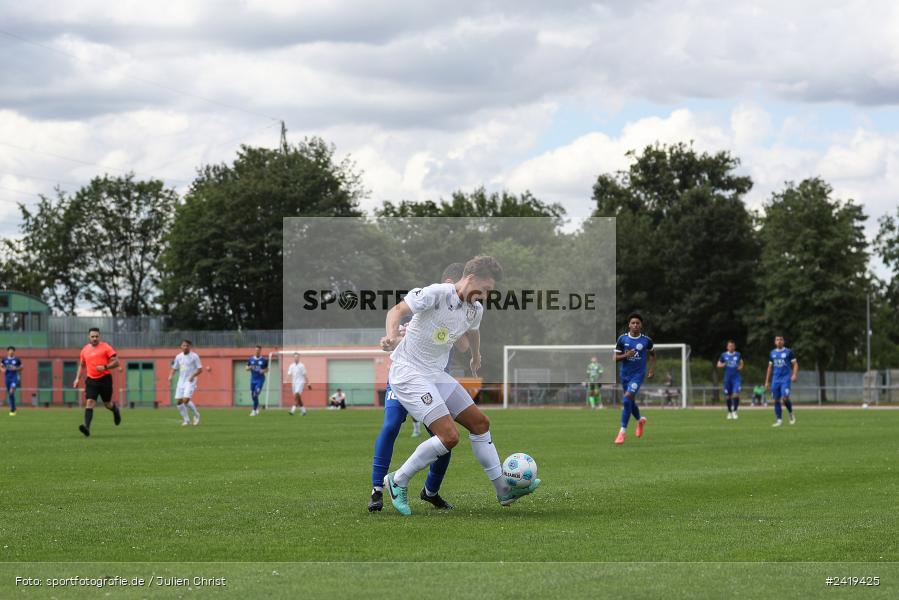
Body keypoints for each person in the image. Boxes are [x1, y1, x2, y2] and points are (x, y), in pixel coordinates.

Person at [381, 256, 540, 516]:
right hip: (409, 372)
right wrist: (391, 335)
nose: (487, 295)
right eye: (486, 289)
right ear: (470, 278)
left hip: (435, 373)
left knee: (480, 424)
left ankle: (503, 491)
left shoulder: (475, 308)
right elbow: (396, 311)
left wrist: (475, 356)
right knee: (449, 437)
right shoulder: (437, 293)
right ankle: (397, 480)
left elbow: (474, 330)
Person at [368, 262, 466, 512]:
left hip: (435, 380)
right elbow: (400, 328)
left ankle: (431, 491)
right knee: (391, 425)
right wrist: (391, 338)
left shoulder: (464, 311)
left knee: (444, 438)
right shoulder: (424, 307)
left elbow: (464, 344)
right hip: (406, 378)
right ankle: (377, 489)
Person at [614, 312, 655, 445]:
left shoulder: (646, 340)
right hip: (625, 375)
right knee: (630, 402)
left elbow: (653, 355)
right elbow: (614, 358)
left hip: (638, 375)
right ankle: (640, 419)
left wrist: (651, 369)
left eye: (638, 323)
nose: (635, 325)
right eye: (633, 323)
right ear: (629, 325)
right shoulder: (622, 339)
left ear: (641, 325)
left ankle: (622, 432)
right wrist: (626, 355)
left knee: (626, 399)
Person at [73, 328, 121, 437]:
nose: (94, 338)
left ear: (99, 336)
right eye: (92, 336)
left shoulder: (106, 347)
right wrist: (77, 379)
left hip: (105, 379)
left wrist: (105, 367)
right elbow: (81, 365)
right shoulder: (84, 350)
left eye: (96, 336)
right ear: (88, 337)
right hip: (91, 380)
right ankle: (86, 427)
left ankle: (115, 410)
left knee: (107, 404)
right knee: (89, 402)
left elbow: (117, 362)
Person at [765, 335, 798, 427]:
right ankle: (779, 420)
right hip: (775, 379)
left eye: (781, 339)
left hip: (785, 379)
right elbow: (770, 368)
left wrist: (794, 374)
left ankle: (791, 413)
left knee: (785, 398)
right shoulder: (772, 353)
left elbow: (795, 364)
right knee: (776, 400)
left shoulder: (789, 352)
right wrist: (767, 381)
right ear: (775, 342)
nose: (779, 341)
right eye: (777, 339)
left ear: (783, 341)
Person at [169, 339, 202, 426]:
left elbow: (200, 369)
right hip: (181, 381)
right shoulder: (178, 357)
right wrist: (171, 375)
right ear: (181, 347)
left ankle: (196, 415)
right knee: (179, 401)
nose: (185, 347)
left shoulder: (194, 356)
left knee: (186, 400)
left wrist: (192, 376)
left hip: (190, 380)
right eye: (183, 345)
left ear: (190, 347)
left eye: (187, 345)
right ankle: (186, 420)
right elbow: (174, 368)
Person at [717, 340, 744, 420]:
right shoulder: (723, 355)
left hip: (736, 378)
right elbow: (718, 364)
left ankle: (735, 411)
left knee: (735, 394)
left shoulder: (738, 354)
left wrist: (740, 367)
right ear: (727, 347)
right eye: (729, 346)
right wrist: (723, 364)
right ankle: (729, 412)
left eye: (732, 346)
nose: (731, 347)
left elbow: (741, 363)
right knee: (728, 396)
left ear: (734, 347)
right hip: (727, 378)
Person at [245, 345, 268, 416]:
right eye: (256, 350)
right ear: (254, 350)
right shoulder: (251, 359)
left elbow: (267, 369)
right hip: (253, 380)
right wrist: (250, 367)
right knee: (253, 395)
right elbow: (246, 368)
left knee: (256, 393)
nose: (257, 351)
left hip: (260, 379)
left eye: (258, 350)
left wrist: (263, 370)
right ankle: (257, 407)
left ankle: (254, 411)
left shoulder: (264, 360)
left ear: (260, 351)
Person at [2, 346, 22, 416]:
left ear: (14, 351)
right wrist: (3, 370)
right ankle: (14, 408)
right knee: (10, 394)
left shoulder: (17, 359)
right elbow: (1, 366)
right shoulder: (4, 359)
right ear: (7, 351)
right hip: (7, 378)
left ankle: (12, 409)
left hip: (14, 378)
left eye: (12, 350)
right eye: (10, 350)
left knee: (11, 392)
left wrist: (16, 368)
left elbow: (22, 367)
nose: (11, 351)